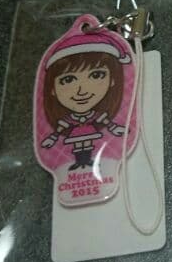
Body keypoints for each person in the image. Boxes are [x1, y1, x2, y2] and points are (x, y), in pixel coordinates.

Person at [41, 33, 130, 171]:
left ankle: (87, 161)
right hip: (76, 133)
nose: (82, 91)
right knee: (78, 146)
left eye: (96, 75)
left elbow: (105, 121)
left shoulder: (95, 115)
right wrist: (52, 138)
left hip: (90, 132)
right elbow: (60, 128)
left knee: (87, 145)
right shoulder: (69, 119)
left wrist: (114, 128)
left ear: (112, 80)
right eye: (68, 80)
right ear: (52, 88)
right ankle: (80, 162)